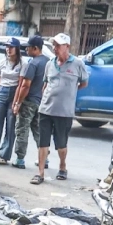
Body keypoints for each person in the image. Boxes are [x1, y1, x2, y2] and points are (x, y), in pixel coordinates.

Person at [33, 32, 88, 184]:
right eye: (54, 45)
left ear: (67, 46)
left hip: (64, 111)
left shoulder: (77, 64)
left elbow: (84, 83)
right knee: (43, 143)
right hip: (45, 109)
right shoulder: (50, 63)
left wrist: (70, 92)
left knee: (61, 144)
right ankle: (40, 173)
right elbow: (45, 83)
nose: (55, 48)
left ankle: (62, 166)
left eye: (58, 45)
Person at [10, 36, 48, 170]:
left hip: (29, 101)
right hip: (42, 102)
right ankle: (44, 158)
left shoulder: (33, 64)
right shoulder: (48, 62)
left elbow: (25, 86)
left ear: (35, 48)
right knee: (39, 130)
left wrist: (18, 103)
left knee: (22, 129)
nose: (26, 49)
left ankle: (20, 159)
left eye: (29, 47)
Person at [0, 39, 26, 164]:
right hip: (1, 92)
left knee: (11, 126)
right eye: (7, 47)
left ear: (17, 49)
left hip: (14, 93)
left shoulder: (22, 64)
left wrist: (16, 103)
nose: (8, 49)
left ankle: (4, 155)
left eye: (11, 47)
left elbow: (21, 85)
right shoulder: (1, 62)